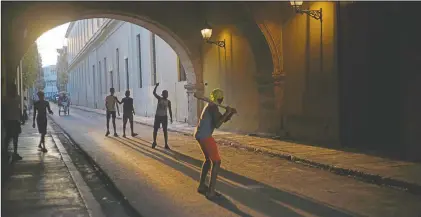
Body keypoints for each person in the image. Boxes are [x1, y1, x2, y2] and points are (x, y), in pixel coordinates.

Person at [194, 88, 236, 200]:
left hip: (199, 134)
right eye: (221, 98)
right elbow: (218, 124)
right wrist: (227, 112)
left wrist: (230, 114)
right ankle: (211, 192)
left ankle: (202, 186)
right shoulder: (213, 107)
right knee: (216, 162)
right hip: (205, 136)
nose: (222, 100)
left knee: (208, 160)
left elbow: (221, 119)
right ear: (220, 99)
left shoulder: (210, 106)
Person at [2, 84, 24, 161]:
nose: (13, 90)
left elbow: (18, 109)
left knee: (15, 137)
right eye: (11, 89)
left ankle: (15, 153)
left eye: (14, 89)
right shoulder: (5, 99)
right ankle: (5, 153)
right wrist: (3, 119)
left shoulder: (18, 97)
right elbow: (3, 109)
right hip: (9, 120)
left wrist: (22, 117)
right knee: (7, 137)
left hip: (16, 120)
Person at [152, 83, 173, 149]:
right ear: (163, 94)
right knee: (155, 129)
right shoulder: (159, 99)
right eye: (165, 94)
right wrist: (156, 86)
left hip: (164, 117)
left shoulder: (168, 101)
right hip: (158, 116)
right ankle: (154, 142)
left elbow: (170, 110)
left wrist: (171, 118)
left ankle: (166, 144)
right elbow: (154, 93)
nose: (166, 95)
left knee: (165, 130)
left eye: (167, 94)